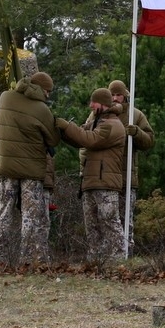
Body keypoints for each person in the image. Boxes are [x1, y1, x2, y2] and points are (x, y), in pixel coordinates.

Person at [0, 70, 58, 267]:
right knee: (30, 217)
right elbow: (53, 139)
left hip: (6, 167)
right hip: (31, 170)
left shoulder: (5, 97)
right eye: (48, 92)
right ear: (43, 90)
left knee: (4, 213)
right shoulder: (42, 109)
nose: (48, 96)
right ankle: (26, 260)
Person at [57, 88, 128, 262]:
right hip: (91, 181)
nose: (90, 105)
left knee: (109, 222)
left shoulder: (112, 125)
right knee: (92, 226)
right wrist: (63, 133)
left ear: (103, 104)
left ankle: (118, 260)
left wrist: (66, 126)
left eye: (93, 102)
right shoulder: (98, 122)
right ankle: (96, 260)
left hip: (105, 182)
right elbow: (80, 137)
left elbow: (89, 139)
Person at [107, 79, 155, 249]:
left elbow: (149, 141)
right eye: (112, 94)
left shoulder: (136, 115)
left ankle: (127, 253)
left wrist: (137, 133)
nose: (115, 98)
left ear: (125, 96)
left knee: (126, 219)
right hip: (105, 176)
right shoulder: (100, 113)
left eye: (118, 95)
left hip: (127, 177)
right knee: (107, 219)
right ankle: (108, 255)